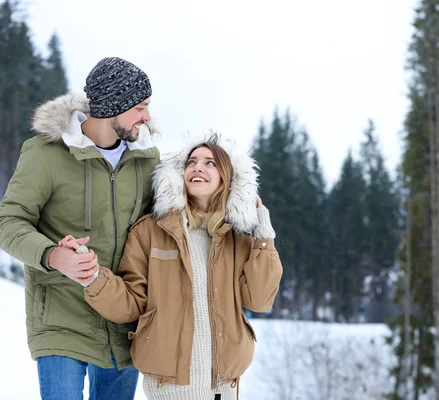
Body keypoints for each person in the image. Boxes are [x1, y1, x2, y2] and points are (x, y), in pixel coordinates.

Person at [59, 134, 283, 399]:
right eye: (191, 162)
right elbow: (131, 302)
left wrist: (264, 238)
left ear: (228, 178)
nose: (197, 167)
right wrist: (93, 275)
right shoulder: (151, 231)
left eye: (210, 163)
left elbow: (259, 300)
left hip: (223, 387)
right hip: (169, 387)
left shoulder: (240, 239)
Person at [0, 57, 161, 400]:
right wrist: (53, 255)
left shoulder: (147, 160)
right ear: (113, 105)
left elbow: (161, 231)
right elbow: (8, 222)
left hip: (122, 321)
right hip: (60, 318)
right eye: (140, 107)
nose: (147, 117)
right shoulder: (46, 154)